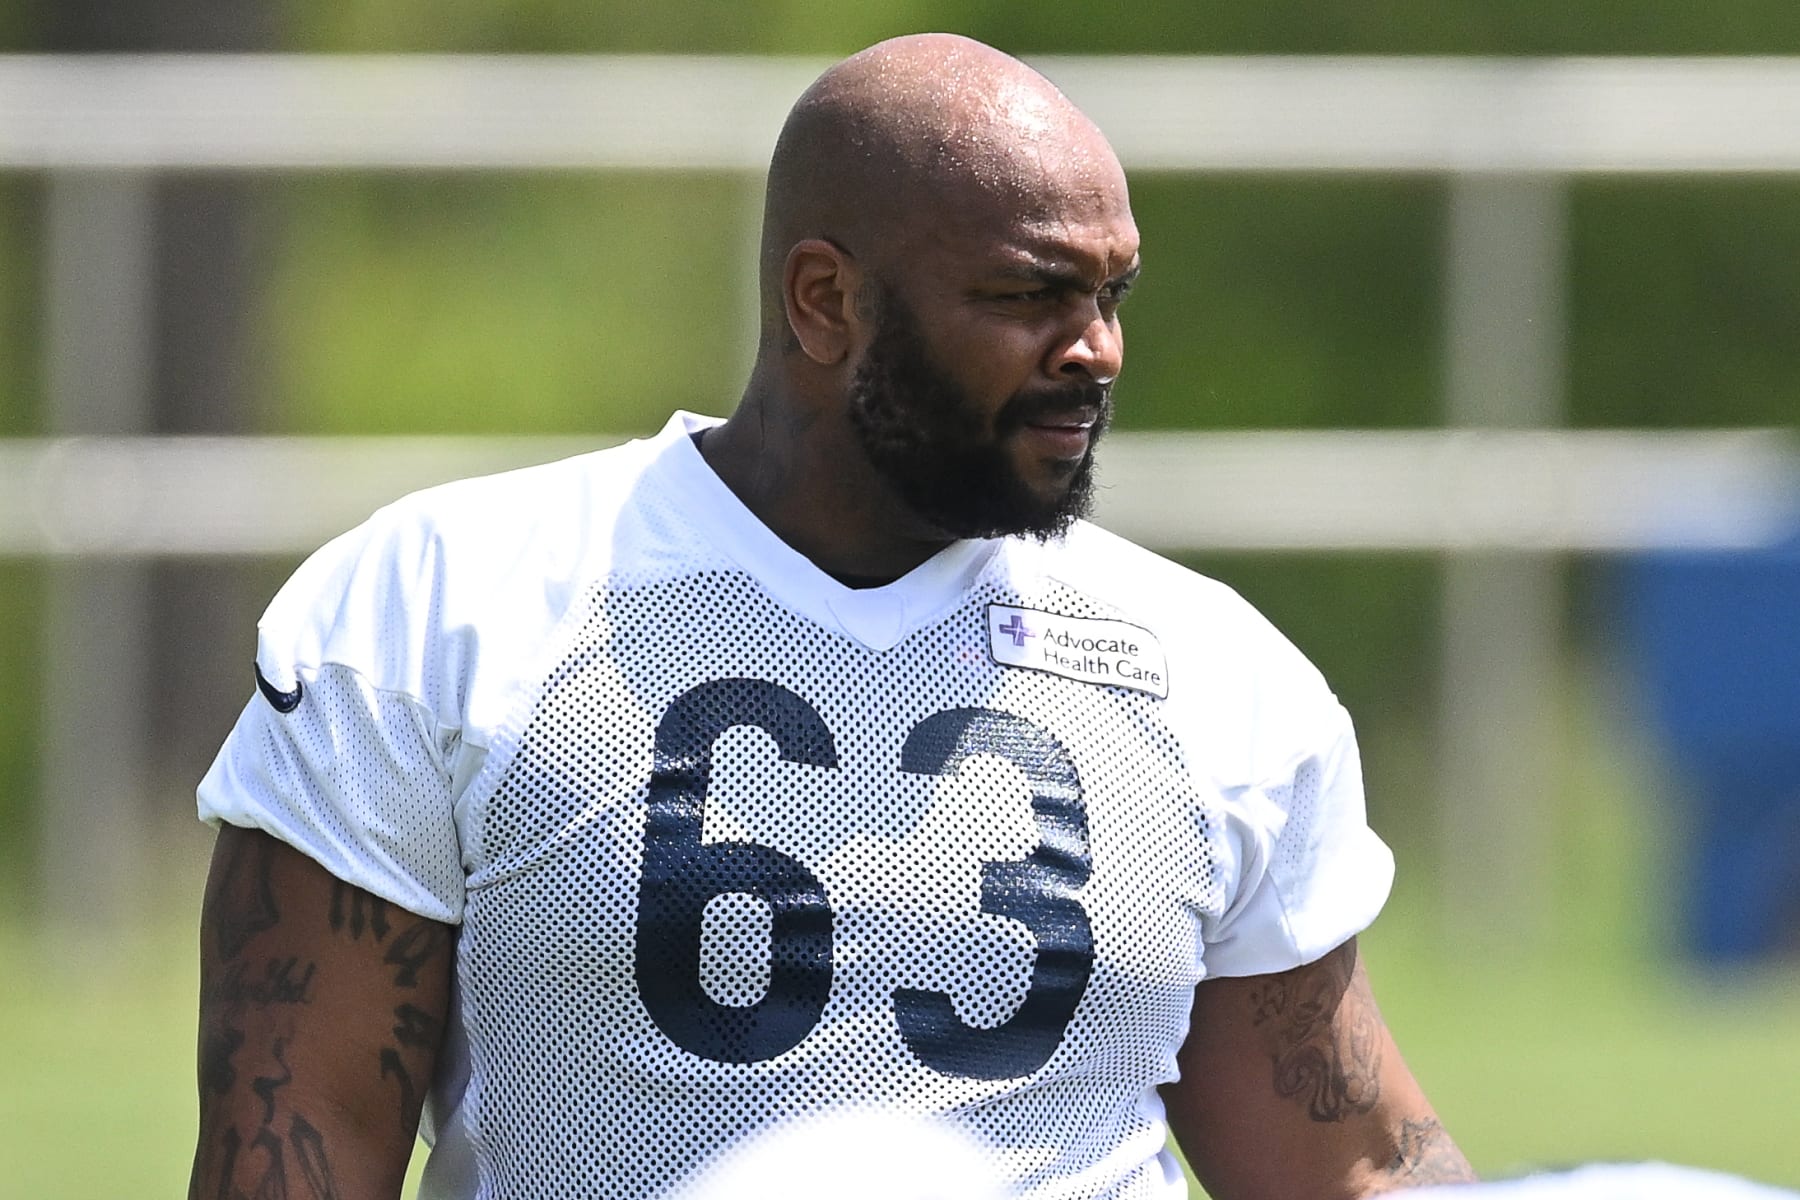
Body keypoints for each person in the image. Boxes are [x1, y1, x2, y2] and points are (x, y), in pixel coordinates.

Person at [190, 32, 1477, 1200]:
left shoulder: (1211, 674)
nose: (1096, 351)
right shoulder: (447, 607)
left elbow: (1347, 1166)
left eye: (1113, 296)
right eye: (1032, 294)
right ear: (826, 300)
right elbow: (296, 1152)